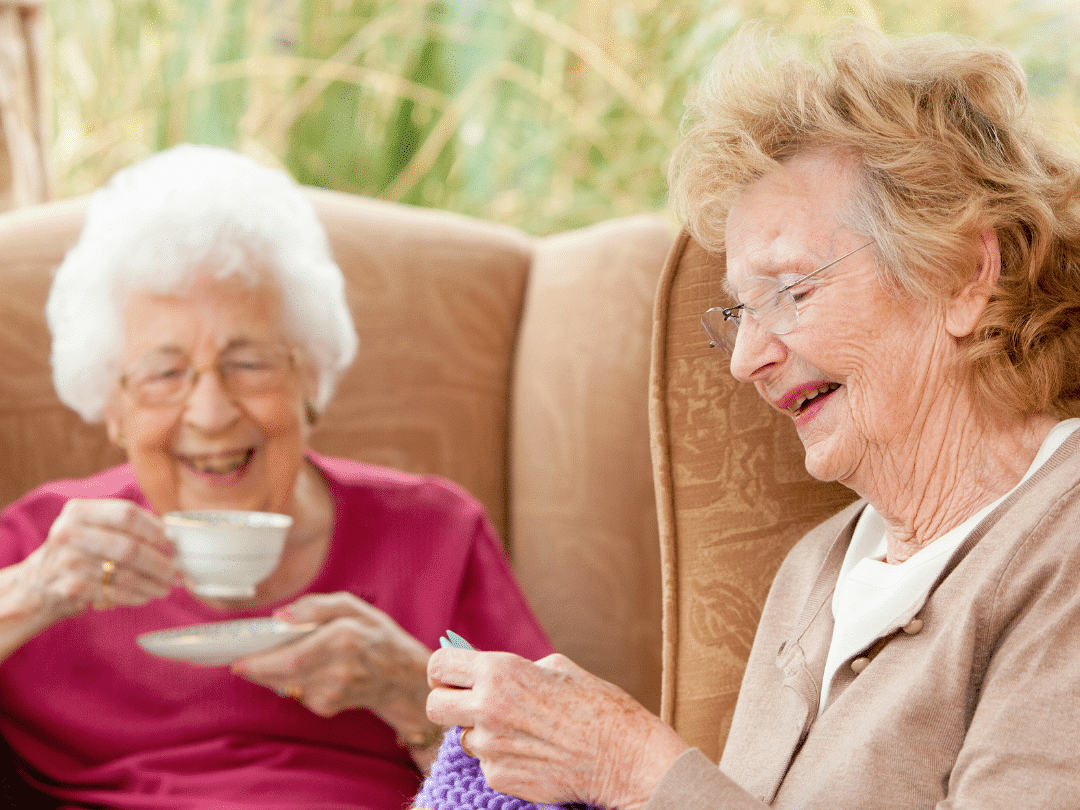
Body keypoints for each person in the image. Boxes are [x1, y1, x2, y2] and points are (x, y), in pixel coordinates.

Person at [426, 24, 1080, 809]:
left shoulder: (1059, 546)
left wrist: (630, 766)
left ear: (965, 277)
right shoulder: (817, 569)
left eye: (793, 291)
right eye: (740, 312)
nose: (746, 360)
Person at [0, 144, 553, 810]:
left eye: (250, 363)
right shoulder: (42, 545)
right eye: (163, 373)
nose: (209, 412)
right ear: (112, 410)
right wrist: (30, 593)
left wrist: (410, 690)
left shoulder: (436, 533)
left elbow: (555, 783)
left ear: (311, 381)